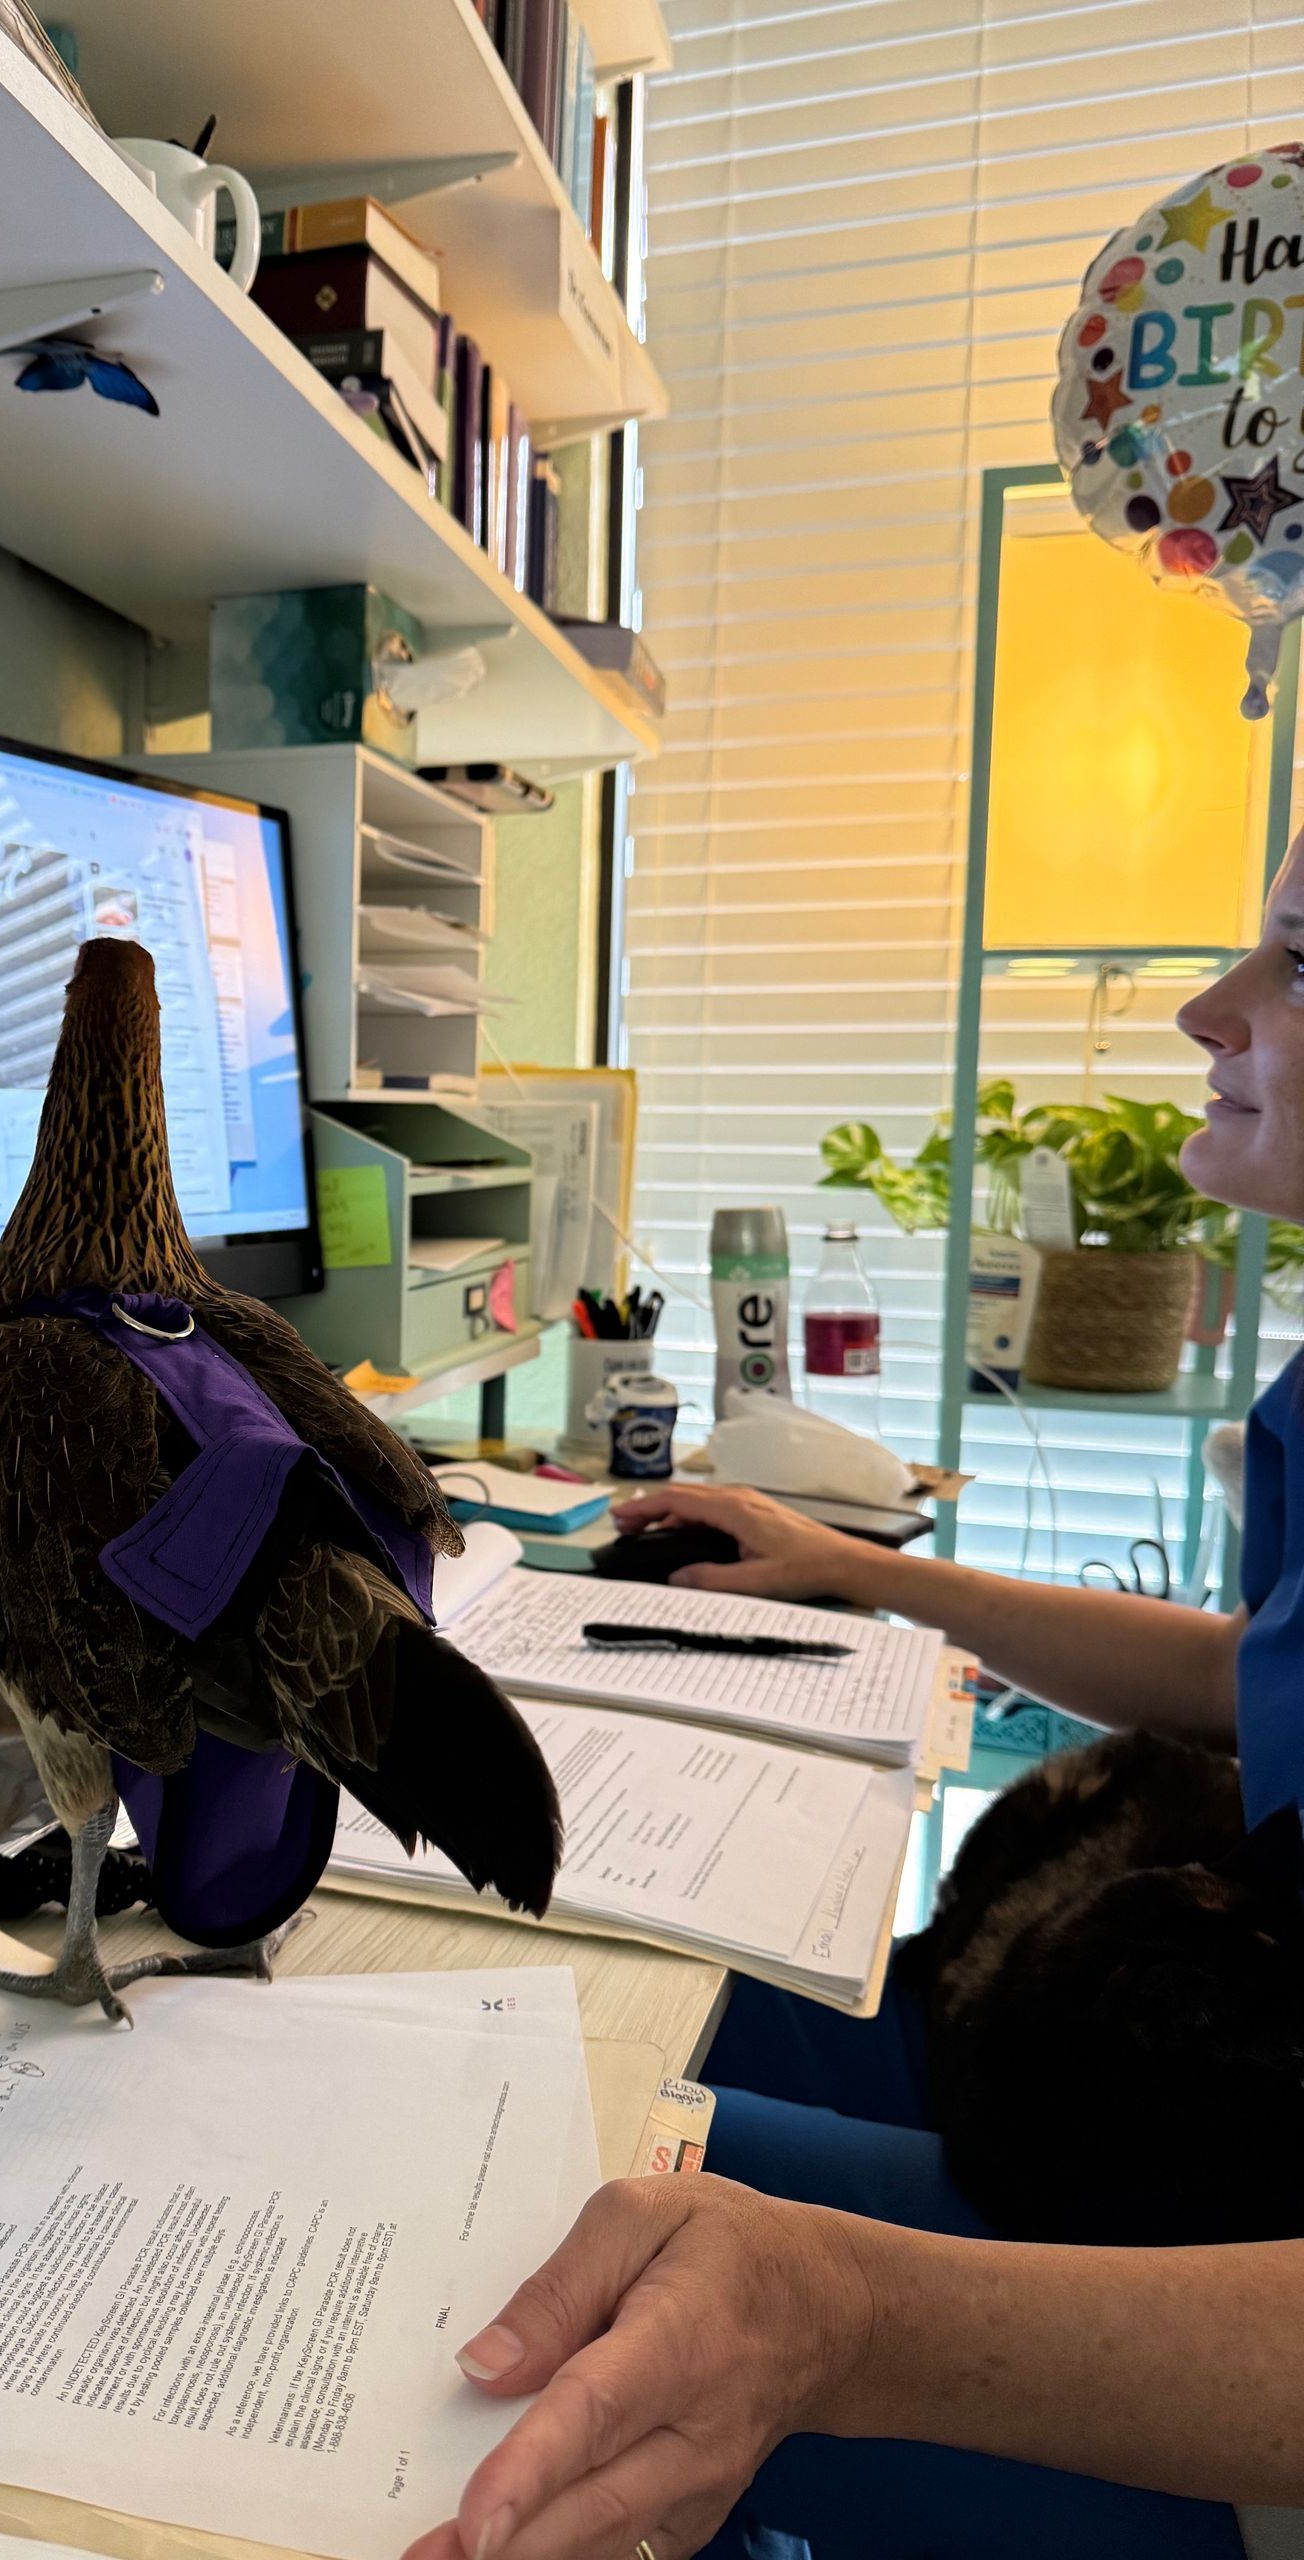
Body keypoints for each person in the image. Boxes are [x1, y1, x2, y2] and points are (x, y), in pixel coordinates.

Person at [402, 845, 1304, 2560]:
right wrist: (865, 1571)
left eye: (1302, 966)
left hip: (1243, 2389)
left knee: (500, 2214)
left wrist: (845, 2321)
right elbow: (1252, 1675)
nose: (1209, 1012)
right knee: (551, 2011)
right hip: (1173, 2114)